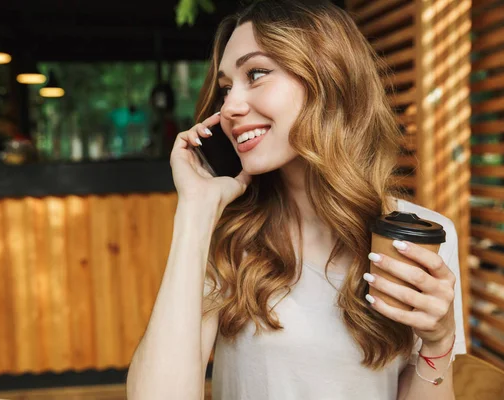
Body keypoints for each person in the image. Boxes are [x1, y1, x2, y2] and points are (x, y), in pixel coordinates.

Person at [126, 1, 466, 399]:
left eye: (256, 74)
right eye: (225, 88)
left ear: (328, 77)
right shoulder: (226, 233)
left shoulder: (418, 236)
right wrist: (195, 211)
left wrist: (439, 344)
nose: (230, 107)